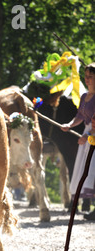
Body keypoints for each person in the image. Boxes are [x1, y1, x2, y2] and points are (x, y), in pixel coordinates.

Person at [61, 62, 95, 219]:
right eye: (86, 77)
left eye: (91, 77)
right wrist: (69, 125)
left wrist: (89, 135)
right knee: (84, 170)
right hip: (87, 135)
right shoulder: (84, 96)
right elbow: (80, 116)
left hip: (93, 136)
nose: (87, 80)